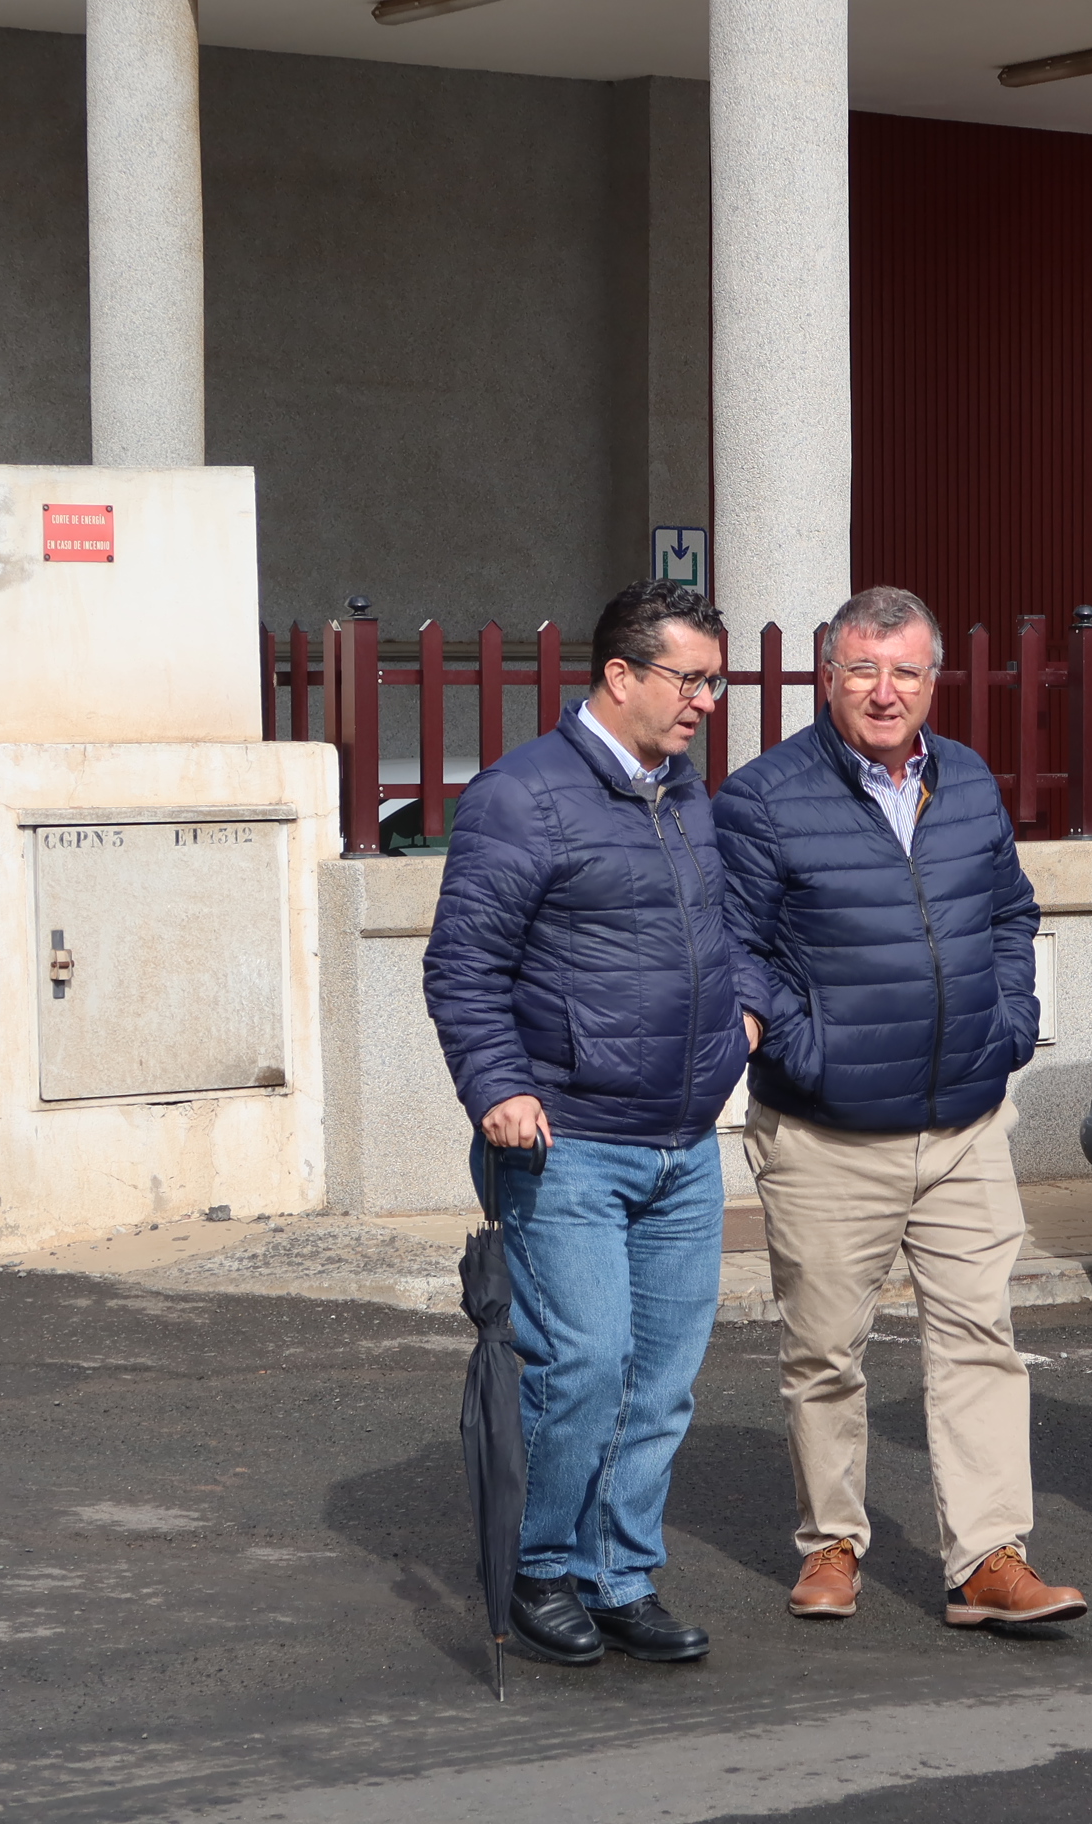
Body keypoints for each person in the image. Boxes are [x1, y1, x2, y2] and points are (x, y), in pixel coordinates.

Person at [712, 585, 1088, 1631]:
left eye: (905, 672)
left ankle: (987, 1560)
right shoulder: (762, 797)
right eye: (863, 671)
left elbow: (1008, 911)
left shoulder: (963, 779)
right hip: (829, 1133)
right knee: (825, 1351)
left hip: (964, 1123)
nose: (885, 692)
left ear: (933, 681)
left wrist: (1010, 1022)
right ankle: (829, 1543)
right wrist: (809, 1047)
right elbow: (735, 952)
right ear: (827, 677)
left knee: (979, 1339)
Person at [424, 579, 762, 1669]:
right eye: (690, 679)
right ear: (621, 676)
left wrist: (745, 1018)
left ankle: (621, 1576)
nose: (707, 700)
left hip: (681, 1140)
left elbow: (729, 928)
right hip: (565, 1140)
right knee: (585, 1363)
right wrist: (497, 1088)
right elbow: (463, 967)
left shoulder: (686, 797)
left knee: (661, 1379)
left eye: (716, 680)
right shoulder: (521, 798)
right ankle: (542, 1568)